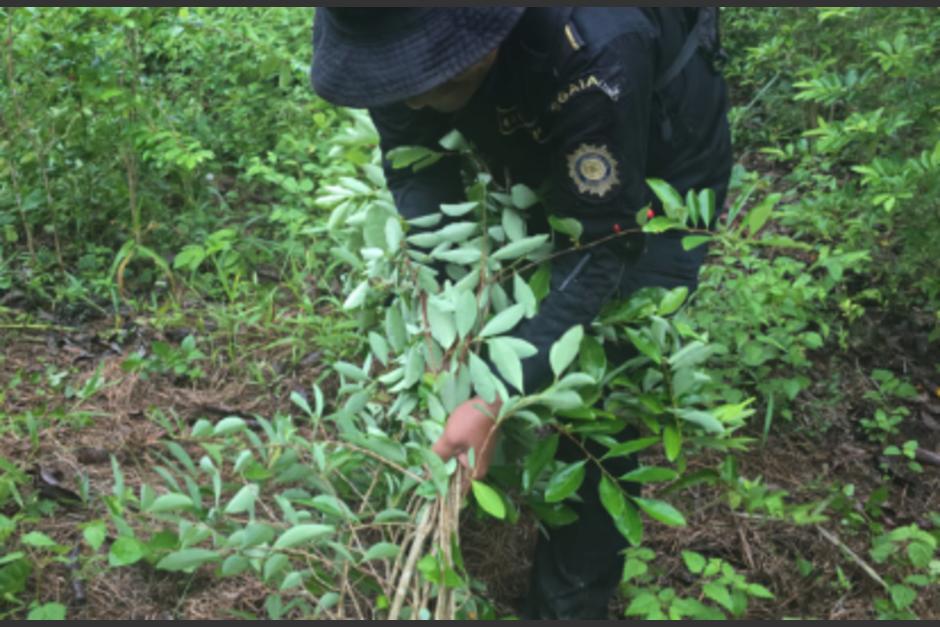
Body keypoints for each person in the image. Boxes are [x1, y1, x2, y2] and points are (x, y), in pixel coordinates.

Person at [310, 7, 732, 619]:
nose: (419, 101)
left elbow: (599, 243)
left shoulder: (598, 46)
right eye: (406, 79)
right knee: (520, 325)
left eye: (441, 78)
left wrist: (496, 395)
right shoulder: (389, 29)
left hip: (661, 162)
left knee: (594, 390)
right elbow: (417, 171)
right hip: (538, 119)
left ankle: (565, 605)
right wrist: (446, 310)